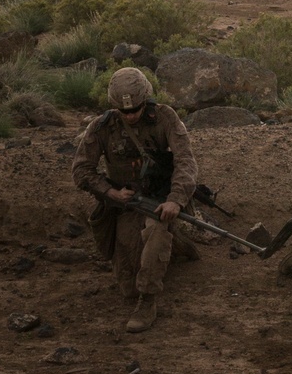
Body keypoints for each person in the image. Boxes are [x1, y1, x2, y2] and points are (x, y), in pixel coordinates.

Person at [72, 66, 198, 333]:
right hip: (126, 204)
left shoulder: (165, 118)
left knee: (156, 232)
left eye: (136, 109)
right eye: (124, 111)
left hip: (160, 200)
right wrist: (110, 193)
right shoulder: (101, 127)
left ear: (146, 101)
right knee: (127, 286)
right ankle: (177, 246)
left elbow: (185, 160)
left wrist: (175, 199)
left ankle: (148, 301)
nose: (130, 115)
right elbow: (81, 170)